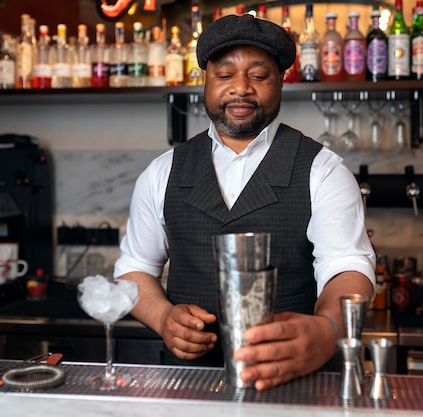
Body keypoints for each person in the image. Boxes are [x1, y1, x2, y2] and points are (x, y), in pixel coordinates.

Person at [114, 13, 375, 391]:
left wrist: (328, 329)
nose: (241, 88)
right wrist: (163, 317)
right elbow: (134, 269)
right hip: (190, 385)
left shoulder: (324, 170)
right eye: (224, 75)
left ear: (281, 81)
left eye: (258, 75)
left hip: (295, 383)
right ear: (204, 79)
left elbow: (348, 269)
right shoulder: (162, 172)